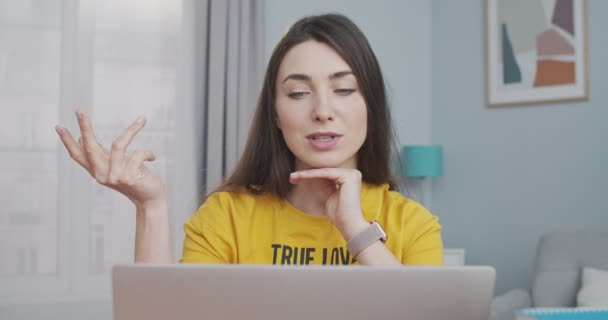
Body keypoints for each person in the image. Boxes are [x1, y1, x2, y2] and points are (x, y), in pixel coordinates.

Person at [55, 13, 443, 266]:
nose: (323, 110)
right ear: (275, 114)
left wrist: (356, 230)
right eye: (297, 93)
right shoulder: (227, 216)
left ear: (370, 106)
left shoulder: (412, 224)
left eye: (343, 90)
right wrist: (150, 207)